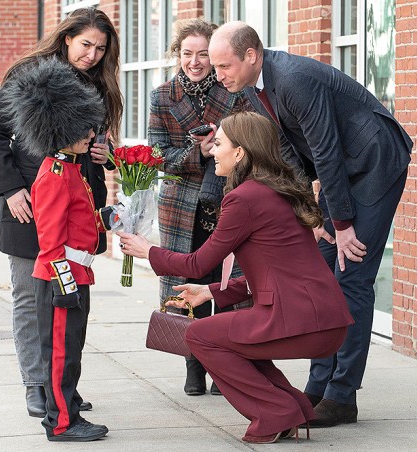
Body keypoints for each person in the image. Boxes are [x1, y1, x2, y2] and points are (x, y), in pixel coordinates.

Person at [208, 22, 413, 427]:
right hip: (342, 169)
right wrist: (312, 216)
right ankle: (318, 387)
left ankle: (342, 397)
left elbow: (326, 150)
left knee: (350, 275)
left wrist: (341, 223)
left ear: (251, 55)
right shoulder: (251, 86)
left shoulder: (296, 79)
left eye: (223, 66)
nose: (218, 75)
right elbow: (287, 150)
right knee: (320, 274)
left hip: (374, 162)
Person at [117, 111, 353, 444]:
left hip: (302, 321)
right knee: (227, 338)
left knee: (200, 335)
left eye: (220, 143)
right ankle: (291, 407)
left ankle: (276, 412)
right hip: (323, 320)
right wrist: (211, 293)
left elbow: (198, 262)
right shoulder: (274, 191)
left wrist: (148, 251)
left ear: (240, 152)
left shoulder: (244, 198)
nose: (213, 150)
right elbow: (279, 270)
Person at [0, 6, 122, 420]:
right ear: (66, 38)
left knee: (69, 300)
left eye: (100, 48)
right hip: (28, 205)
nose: (93, 54)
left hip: (77, 210)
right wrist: (9, 189)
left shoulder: (100, 85)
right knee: (29, 298)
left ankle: (61, 388)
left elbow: (102, 147)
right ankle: (36, 384)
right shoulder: (31, 73)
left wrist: (107, 155)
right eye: (85, 45)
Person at [148, 18, 247, 397]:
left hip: (226, 200)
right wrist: (197, 152)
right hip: (181, 206)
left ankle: (223, 365)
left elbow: (249, 144)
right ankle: (192, 364)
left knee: (224, 284)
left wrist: (221, 149)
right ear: (178, 54)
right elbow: (156, 155)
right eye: (187, 53)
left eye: (203, 54)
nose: (195, 61)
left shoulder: (234, 91)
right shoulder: (161, 96)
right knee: (186, 286)